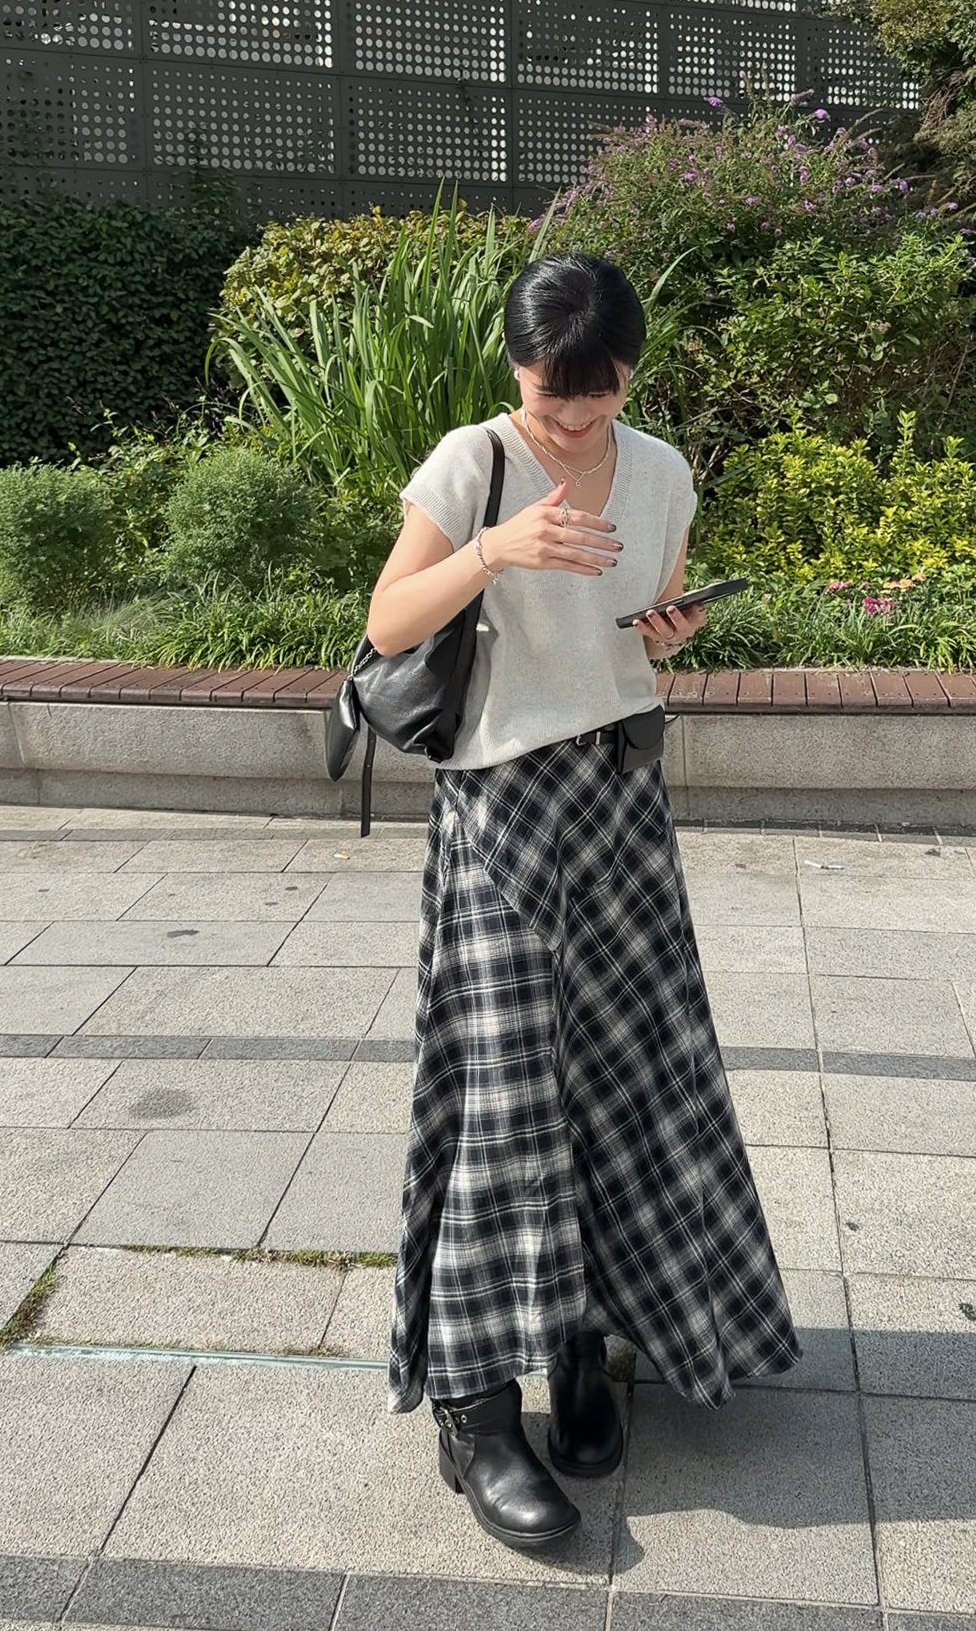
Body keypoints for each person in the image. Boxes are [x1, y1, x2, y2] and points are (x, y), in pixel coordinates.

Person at [366, 251, 800, 1553]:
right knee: (507, 1095)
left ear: (627, 375)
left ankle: (584, 1341)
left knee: (626, 1082)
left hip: (620, 798)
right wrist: (494, 548)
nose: (568, 419)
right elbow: (388, 624)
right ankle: (474, 1402)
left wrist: (670, 631)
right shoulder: (473, 462)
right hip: (501, 803)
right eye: (549, 393)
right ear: (516, 369)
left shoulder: (661, 471)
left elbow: (645, 617)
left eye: (594, 394)